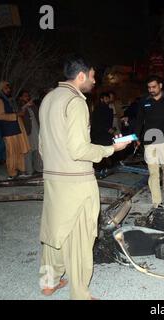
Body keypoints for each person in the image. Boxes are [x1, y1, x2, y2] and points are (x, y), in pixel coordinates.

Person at [38, 55, 130, 300]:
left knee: (53, 232)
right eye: (91, 76)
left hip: (53, 176)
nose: (93, 80)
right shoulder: (75, 102)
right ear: (81, 76)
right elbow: (79, 149)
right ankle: (80, 294)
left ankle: (49, 283)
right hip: (76, 179)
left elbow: (41, 145)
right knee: (80, 236)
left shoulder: (48, 99)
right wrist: (111, 150)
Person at [134, 75, 164, 208]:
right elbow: (139, 120)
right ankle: (156, 201)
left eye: (154, 87)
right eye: (149, 87)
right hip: (149, 140)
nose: (151, 90)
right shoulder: (144, 101)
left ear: (160, 86)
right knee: (153, 172)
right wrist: (137, 136)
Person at [0, 81, 30, 179]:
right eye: (6, 88)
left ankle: (22, 170)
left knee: (19, 151)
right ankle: (12, 173)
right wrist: (16, 115)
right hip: (8, 131)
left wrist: (19, 113)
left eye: (9, 88)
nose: (8, 90)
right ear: (1, 90)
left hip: (16, 128)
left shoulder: (9, 100)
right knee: (11, 152)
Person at [18, 90, 43, 175]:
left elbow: (38, 114)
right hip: (26, 131)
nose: (27, 97)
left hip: (36, 128)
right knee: (28, 150)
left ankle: (38, 168)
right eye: (25, 96)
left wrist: (33, 106)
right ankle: (29, 170)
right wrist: (25, 106)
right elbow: (18, 113)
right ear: (20, 97)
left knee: (37, 149)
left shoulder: (32, 105)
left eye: (27, 95)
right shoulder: (19, 104)